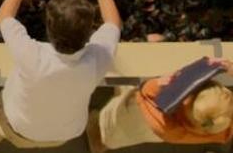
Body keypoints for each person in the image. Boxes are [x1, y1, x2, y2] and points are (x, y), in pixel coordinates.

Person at [0, 0, 121, 147]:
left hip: (16, 125)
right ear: (91, 32)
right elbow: (113, 23)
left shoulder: (32, 55)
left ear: (49, 26)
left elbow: (3, 15)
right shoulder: (98, 60)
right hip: (62, 135)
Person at [88, 57, 233, 151]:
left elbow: (145, 91)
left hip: (139, 114)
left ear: (190, 98)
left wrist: (159, 83)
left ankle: (100, 139)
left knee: (112, 125)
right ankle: (106, 141)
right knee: (128, 136)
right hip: (156, 133)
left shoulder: (163, 116)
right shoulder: (219, 129)